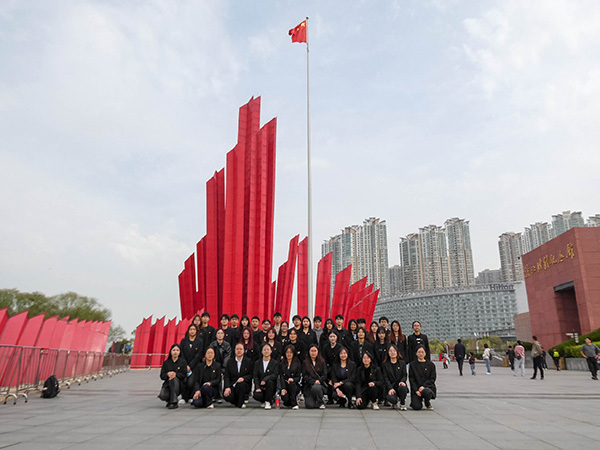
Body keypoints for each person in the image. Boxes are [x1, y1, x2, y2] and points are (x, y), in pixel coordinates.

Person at [223, 343, 253, 408]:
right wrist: (227, 387)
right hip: (233, 385)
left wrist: (244, 378)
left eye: (240, 349)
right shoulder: (230, 361)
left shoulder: (248, 361)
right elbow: (227, 376)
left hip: (244, 385)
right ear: (234, 350)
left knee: (241, 385)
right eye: (237, 349)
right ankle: (237, 401)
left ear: (244, 350)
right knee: (226, 396)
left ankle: (240, 403)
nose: (239, 351)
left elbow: (251, 375)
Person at [179, 324, 204, 402]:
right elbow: (181, 353)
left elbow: (199, 355)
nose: (192, 331)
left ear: (196, 331)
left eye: (194, 329)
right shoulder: (183, 341)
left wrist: (190, 365)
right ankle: (184, 397)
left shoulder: (199, 341)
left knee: (191, 382)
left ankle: (191, 396)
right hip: (184, 365)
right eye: (190, 329)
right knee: (184, 381)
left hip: (195, 366)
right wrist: (185, 365)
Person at [159, 344, 187, 409]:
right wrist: (168, 374)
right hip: (167, 384)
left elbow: (184, 374)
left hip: (179, 384)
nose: (175, 352)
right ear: (170, 351)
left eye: (177, 350)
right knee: (163, 396)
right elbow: (162, 376)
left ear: (180, 352)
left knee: (173, 379)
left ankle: (174, 402)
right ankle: (170, 400)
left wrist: (175, 374)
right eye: (173, 350)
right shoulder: (166, 363)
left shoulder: (183, 362)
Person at [409, 346, 437, 411]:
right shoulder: (412, 364)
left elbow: (432, 378)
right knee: (416, 407)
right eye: (419, 352)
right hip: (417, 389)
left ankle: (427, 402)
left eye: (422, 352)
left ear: (425, 353)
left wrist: (423, 387)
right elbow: (411, 379)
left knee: (427, 392)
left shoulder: (431, 365)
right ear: (416, 353)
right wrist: (416, 390)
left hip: (427, 387)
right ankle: (419, 399)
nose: (421, 354)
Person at [252, 343, 279, 409]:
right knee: (257, 395)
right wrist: (257, 387)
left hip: (271, 386)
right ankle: (263, 400)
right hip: (261, 386)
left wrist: (265, 379)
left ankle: (268, 401)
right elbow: (255, 376)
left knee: (270, 382)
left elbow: (275, 375)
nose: (266, 351)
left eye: (268, 349)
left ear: (271, 351)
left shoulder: (274, 363)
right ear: (261, 351)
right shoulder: (257, 363)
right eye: (264, 350)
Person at [382, 344, 408, 410]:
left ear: (397, 352)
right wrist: (390, 388)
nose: (392, 352)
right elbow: (385, 378)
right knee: (392, 398)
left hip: (399, 385)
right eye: (390, 351)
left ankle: (402, 403)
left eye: (394, 351)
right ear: (388, 353)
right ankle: (394, 402)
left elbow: (404, 375)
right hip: (391, 385)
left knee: (402, 388)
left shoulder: (402, 363)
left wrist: (402, 381)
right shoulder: (385, 364)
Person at [303, 344, 328, 409]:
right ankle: (315, 400)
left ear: (318, 352)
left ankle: (320, 402)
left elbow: (325, 374)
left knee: (316, 387)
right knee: (309, 405)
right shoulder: (305, 362)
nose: (313, 353)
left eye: (315, 351)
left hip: (319, 385)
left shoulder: (322, 361)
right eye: (312, 351)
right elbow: (305, 376)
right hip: (309, 386)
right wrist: (313, 381)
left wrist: (319, 381)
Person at [279, 344, 302, 409]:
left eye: (291, 352)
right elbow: (281, 376)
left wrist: (293, 379)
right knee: (285, 400)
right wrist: (283, 388)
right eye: (287, 352)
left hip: (294, 385)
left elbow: (298, 376)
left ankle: (294, 403)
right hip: (286, 385)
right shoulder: (282, 363)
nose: (289, 354)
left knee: (292, 385)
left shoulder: (297, 362)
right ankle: (289, 401)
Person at [322, 331, 341, 404]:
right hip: (329, 368)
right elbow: (324, 359)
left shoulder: (340, 347)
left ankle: (339, 398)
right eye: (331, 337)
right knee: (328, 380)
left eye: (334, 336)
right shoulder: (325, 347)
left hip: (338, 368)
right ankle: (330, 398)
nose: (332, 338)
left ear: (336, 337)